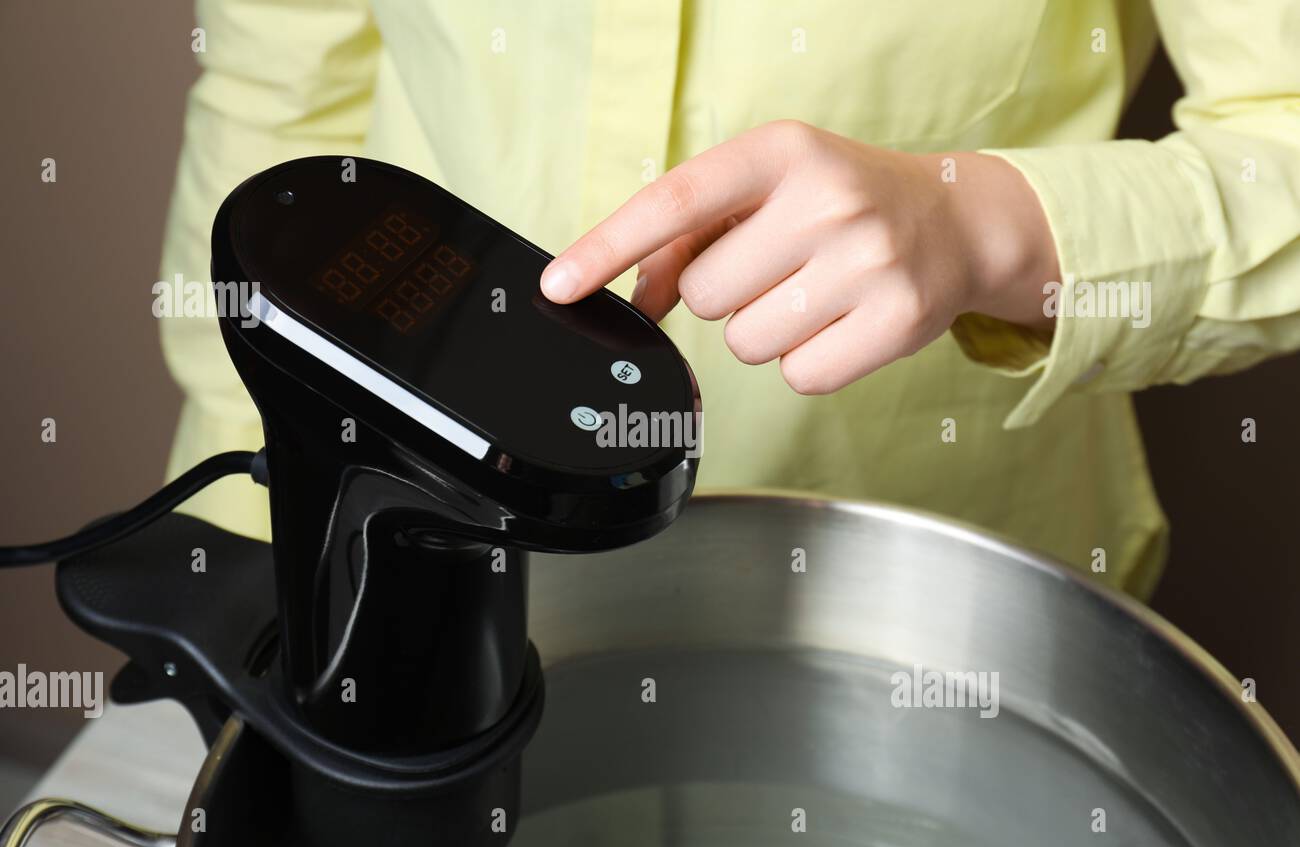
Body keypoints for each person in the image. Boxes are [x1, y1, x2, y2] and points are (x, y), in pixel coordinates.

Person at [159, 0, 1300, 600]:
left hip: (927, 604)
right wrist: (238, 531)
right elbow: (284, 90)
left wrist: (980, 222)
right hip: (402, 538)